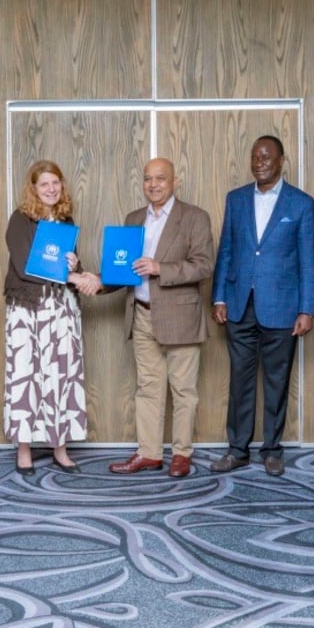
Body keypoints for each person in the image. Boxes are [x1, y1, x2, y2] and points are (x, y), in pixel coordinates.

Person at [210, 135, 314, 477]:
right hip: (240, 304)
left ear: (282, 160)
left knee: (276, 381)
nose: (260, 163)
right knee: (240, 380)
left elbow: (308, 262)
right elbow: (226, 250)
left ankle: (272, 449)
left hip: (282, 307)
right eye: (255, 158)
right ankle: (238, 449)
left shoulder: (301, 204)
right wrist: (219, 296)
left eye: (267, 158)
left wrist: (307, 309)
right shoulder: (237, 199)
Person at [107, 158, 214, 479]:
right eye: (147, 179)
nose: (153, 185)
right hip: (141, 315)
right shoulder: (133, 219)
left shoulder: (194, 218)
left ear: (175, 181)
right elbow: (122, 269)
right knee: (148, 389)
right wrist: (93, 279)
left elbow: (204, 265)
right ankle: (150, 453)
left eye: (160, 178)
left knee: (183, 390)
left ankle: (182, 454)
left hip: (180, 317)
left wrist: (160, 269)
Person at [3, 160, 101, 475]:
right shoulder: (20, 219)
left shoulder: (64, 219)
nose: (50, 189)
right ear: (33, 188)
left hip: (61, 310)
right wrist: (73, 278)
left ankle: (60, 447)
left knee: (62, 375)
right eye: (44, 184)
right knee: (26, 376)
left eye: (55, 183)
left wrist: (76, 265)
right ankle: (24, 451)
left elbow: (64, 266)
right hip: (28, 310)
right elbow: (26, 266)